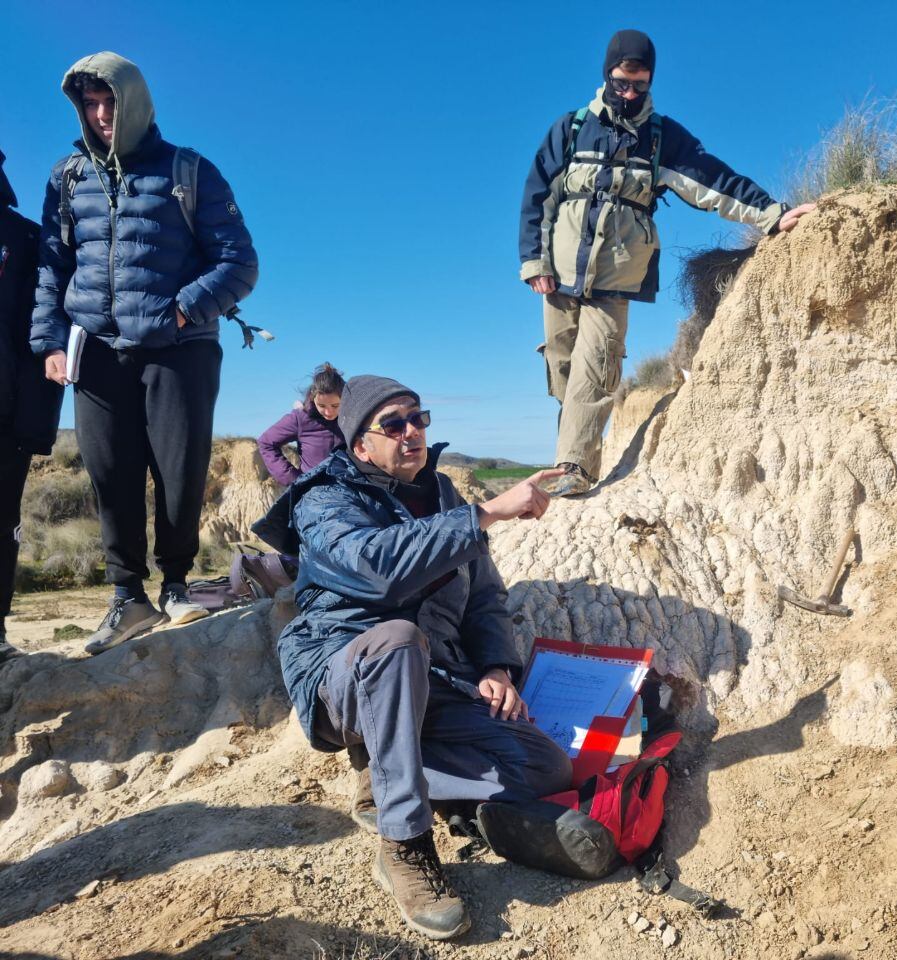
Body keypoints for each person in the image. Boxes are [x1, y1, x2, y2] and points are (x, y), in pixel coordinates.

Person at [254, 375, 573, 940]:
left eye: (418, 419)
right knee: (398, 639)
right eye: (393, 424)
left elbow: (483, 597)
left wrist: (496, 667)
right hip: (344, 676)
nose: (411, 433)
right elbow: (377, 567)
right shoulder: (324, 499)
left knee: (548, 767)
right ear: (360, 445)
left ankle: (392, 777)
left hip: (438, 678)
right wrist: (486, 514)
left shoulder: (443, 495)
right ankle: (403, 844)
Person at [519, 28, 815, 496]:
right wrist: (535, 263)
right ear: (607, 75)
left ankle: (574, 465)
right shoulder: (572, 128)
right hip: (557, 273)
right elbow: (538, 197)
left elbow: (714, 180)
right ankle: (568, 443)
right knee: (563, 366)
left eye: (640, 84)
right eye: (622, 83)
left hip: (617, 274)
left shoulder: (662, 139)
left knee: (596, 362)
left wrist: (773, 214)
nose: (631, 94)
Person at [30, 52, 258, 655]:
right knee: (110, 474)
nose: (101, 114)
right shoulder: (67, 177)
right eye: (90, 104)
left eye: (110, 102)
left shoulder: (190, 170)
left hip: (179, 350)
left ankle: (178, 585)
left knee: (179, 473)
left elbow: (239, 263)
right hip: (97, 350)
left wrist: (180, 310)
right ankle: (127, 597)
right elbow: (53, 269)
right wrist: (50, 342)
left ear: (135, 102)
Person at [0, 148, 64, 663]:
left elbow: (43, 333)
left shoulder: (24, 239)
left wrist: (35, 427)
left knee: (1, 525)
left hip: (5, 421)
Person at [258, 362, 346, 487]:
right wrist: (296, 481)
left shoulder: (352, 417)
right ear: (312, 397)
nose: (328, 412)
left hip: (349, 493)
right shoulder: (301, 418)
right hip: (314, 495)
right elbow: (266, 443)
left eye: (335, 406)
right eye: (321, 405)